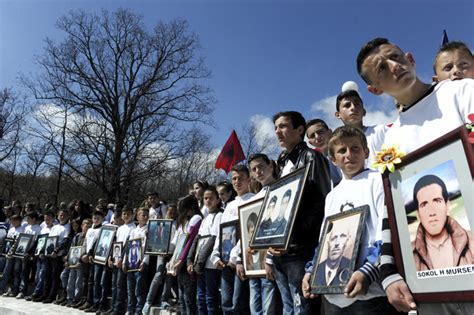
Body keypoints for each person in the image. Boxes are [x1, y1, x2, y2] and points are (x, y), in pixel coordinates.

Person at [356, 37, 474, 314]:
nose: (393, 66)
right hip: (431, 283)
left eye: (395, 57)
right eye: (381, 69)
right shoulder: (391, 139)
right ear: (375, 89)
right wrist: (389, 272)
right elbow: (393, 211)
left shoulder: (460, 92)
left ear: (409, 57)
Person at [302, 126, 392, 314]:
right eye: (342, 150)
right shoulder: (332, 196)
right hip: (333, 296)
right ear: (333, 159)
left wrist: (368, 271)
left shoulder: (378, 180)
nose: (349, 154)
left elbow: (385, 230)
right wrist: (311, 271)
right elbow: (324, 240)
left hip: (370, 291)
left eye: (355, 148)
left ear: (366, 152)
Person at [270, 111, 331, 314]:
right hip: (280, 251)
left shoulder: (311, 157)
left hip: (301, 251)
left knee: (303, 309)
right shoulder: (281, 163)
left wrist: (295, 238)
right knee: (288, 308)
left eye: (283, 126)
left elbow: (322, 205)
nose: (278, 131)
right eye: (276, 127)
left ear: (299, 130)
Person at [210, 164, 254, 314]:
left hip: (241, 261)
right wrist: (216, 255)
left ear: (249, 179)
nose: (237, 182)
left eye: (240, 178)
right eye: (234, 178)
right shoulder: (229, 206)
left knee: (239, 303)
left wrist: (236, 257)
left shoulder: (253, 200)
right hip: (225, 262)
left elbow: (248, 232)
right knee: (226, 302)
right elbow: (221, 233)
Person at [411, 174, 474, 271]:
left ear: (447, 205)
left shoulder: (471, 240)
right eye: (424, 204)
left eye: (437, 201)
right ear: (418, 214)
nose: (432, 212)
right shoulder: (408, 254)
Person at [187, 186, 223, 315]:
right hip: (199, 265)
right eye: (205, 198)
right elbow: (197, 240)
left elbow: (213, 239)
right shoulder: (205, 218)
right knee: (200, 298)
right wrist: (190, 260)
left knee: (210, 297)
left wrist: (200, 263)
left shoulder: (219, 216)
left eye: (211, 198)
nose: (208, 201)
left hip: (209, 265)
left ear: (218, 200)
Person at [334, 87, 387, 168]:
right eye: (347, 105)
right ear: (338, 115)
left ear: (364, 111)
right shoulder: (336, 145)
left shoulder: (380, 131)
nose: (353, 108)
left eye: (357, 104)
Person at [168, 195, 202, 315]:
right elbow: (178, 243)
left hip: (187, 262)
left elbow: (190, 241)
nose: (179, 211)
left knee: (189, 299)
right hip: (179, 262)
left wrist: (182, 260)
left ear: (189, 207)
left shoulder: (196, 218)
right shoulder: (185, 222)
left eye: (181, 207)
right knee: (182, 297)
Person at [109, 206, 136, 315]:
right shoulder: (120, 228)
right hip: (115, 259)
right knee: (114, 284)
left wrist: (122, 259)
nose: (125, 216)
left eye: (128, 214)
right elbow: (115, 244)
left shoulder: (133, 228)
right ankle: (113, 306)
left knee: (120, 286)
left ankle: (118, 309)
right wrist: (110, 257)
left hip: (123, 261)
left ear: (132, 215)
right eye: (124, 214)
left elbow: (128, 246)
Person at [123, 207, 149, 315]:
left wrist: (145, 261)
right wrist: (125, 261)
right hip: (130, 263)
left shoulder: (148, 230)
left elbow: (148, 248)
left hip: (140, 263)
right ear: (137, 217)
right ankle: (130, 309)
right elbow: (128, 247)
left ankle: (138, 311)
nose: (145, 217)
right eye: (142, 215)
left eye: (147, 215)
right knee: (130, 288)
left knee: (139, 290)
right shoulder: (133, 231)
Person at [313, 222, 352, 287]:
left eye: (342, 236)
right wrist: (310, 271)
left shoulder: (350, 265)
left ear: (347, 241)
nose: (337, 243)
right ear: (327, 242)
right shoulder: (317, 269)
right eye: (333, 238)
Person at [306, 118, 342, 187]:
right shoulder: (313, 163)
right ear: (310, 143)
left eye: (320, 132)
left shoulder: (346, 150)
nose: (317, 137)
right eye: (312, 136)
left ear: (330, 132)